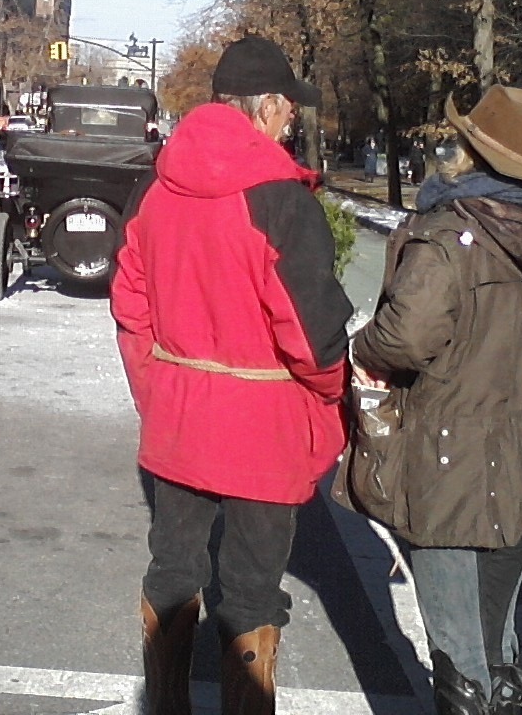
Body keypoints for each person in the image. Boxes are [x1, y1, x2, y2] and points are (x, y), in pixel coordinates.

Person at [111, 35, 353, 715]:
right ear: (267, 106)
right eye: (287, 111)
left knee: (173, 570)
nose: (291, 123)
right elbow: (313, 337)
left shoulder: (158, 184)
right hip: (263, 426)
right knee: (250, 591)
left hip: (181, 413)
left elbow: (129, 301)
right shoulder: (281, 199)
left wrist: (158, 384)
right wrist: (334, 399)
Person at [349, 85, 522, 715]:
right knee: (499, 647)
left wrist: (362, 347)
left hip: (447, 451)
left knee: (460, 659)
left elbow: (405, 338)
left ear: (468, 154)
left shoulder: (451, 235)